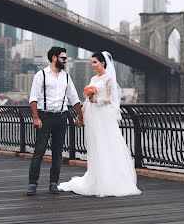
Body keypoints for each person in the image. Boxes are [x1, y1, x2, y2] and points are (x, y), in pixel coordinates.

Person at [58, 51, 141, 197]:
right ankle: (95, 178)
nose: (93, 65)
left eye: (95, 62)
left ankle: (108, 180)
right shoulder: (93, 78)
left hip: (103, 116)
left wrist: (98, 100)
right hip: (92, 116)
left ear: (103, 63)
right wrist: (81, 115)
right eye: (92, 63)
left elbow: (112, 99)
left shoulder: (109, 79)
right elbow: (87, 100)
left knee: (106, 145)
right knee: (94, 146)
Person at [27, 47, 83, 195]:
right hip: (44, 117)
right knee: (39, 151)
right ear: (54, 58)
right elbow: (33, 98)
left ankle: (53, 183)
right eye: (63, 58)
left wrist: (81, 116)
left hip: (61, 117)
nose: (65, 61)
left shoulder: (66, 77)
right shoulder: (41, 75)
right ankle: (32, 184)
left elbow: (75, 98)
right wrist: (36, 118)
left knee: (57, 153)